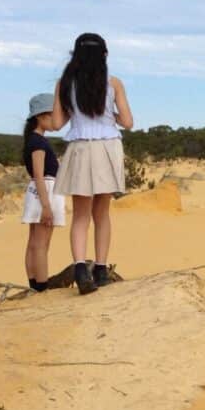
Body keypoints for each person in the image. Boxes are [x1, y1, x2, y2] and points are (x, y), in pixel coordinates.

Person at [51, 33, 134, 295]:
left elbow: (56, 123)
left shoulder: (64, 84)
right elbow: (128, 122)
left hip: (80, 148)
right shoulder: (114, 84)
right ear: (104, 56)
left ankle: (79, 268)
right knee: (102, 214)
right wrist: (111, 115)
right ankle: (100, 268)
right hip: (108, 148)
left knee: (80, 215)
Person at [21, 93, 66, 292]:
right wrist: (46, 206)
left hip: (41, 191)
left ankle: (35, 283)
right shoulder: (38, 142)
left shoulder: (34, 140)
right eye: (52, 114)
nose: (55, 119)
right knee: (41, 243)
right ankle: (41, 287)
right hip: (44, 190)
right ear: (40, 116)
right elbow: (39, 175)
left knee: (34, 242)